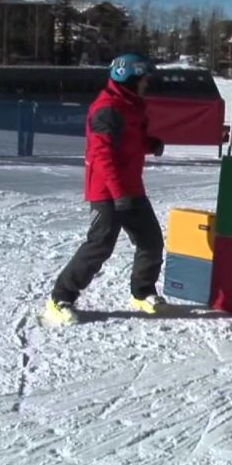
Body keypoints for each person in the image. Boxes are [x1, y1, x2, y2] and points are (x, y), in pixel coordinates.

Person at [44, 53, 168, 325]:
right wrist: (118, 193)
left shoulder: (131, 104)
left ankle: (142, 292)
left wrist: (149, 144)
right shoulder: (107, 108)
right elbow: (102, 156)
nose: (148, 83)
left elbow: (129, 140)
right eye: (144, 78)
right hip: (107, 190)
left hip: (131, 187)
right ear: (130, 79)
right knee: (100, 245)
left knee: (151, 241)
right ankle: (59, 299)